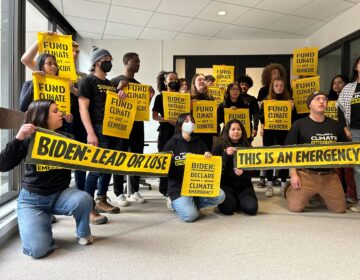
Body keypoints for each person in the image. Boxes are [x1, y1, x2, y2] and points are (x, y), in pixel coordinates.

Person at [0, 100, 93, 259]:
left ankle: (83, 232)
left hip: (60, 195)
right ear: (42, 115)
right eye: (55, 111)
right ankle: (40, 223)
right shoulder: (29, 139)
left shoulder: (67, 137)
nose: (60, 114)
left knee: (84, 199)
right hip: (32, 201)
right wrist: (18, 139)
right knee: (37, 251)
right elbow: (3, 165)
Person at [21, 40, 87, 191]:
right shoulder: (30, 83)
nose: (53, 66)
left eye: (55, 64)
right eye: (49, 63)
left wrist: (67, 117)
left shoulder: (68, 81)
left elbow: (74, 107)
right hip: (40, 133)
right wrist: (35, 82)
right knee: (42, 168)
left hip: (64, 131)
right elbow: (23, 106)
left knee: (65, 168)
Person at [284, 91, 347, 213]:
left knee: (340, 209)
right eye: (317, 99)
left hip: (329, 175)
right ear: (309, 105)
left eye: (324, 99)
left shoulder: (335, 125)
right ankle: (289, 189)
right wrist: (293, 175)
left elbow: (345, 150)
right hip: (306, 174)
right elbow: (289, 151)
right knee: (295, 208)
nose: (322, 101)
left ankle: (318, 194)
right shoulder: (299, 124)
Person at [78, 46, 121, 224]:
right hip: (97, 128)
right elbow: (83, 108)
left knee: (109, 166)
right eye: (107, 59)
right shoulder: (88, 81)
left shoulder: (111, 84)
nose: (110, 62)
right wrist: (90, 132)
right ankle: (88, 208)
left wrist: (121, 98)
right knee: (96, 169)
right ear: (97, 62)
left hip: (113, 129)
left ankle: (102, 199)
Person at [163, 113, 225, 222]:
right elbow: (163, 168)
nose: (190, 123)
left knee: (220, 196)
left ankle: (191, 203)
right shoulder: (171, 144)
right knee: (191, 216)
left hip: (197, 185)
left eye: (192, 121)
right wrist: (170, 161)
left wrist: (208, 157)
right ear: (179, 125)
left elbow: (207, 166)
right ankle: (174, 203)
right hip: (178, 188)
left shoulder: (200, 143)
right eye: (186, 121)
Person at [111, 52, 155, 205]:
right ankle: (118, 192)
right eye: (136, 61)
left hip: (137, 126)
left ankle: (135, 190)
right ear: (126, 62)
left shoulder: (138, 85)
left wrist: (149, 98)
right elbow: (110, 104)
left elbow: (142, 110)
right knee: (120, 157)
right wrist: (118, 89)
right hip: (121, 126)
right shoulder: (114, 81)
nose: (139, 64)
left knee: (137, 157)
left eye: (139, 61)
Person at [212, 119, 258, 215]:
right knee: (228, 209)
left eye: (239, 129)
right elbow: (214, 170)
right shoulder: (219, 146)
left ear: (242, 131)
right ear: (227, 131)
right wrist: (225, 155)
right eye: (233, 129)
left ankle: (239, 200)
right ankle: (234, 201)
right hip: (226, 185)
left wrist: (244, 172)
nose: (236, 132)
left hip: (244, 186)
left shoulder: (248, 146)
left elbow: (255, 171)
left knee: (251, 209)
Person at [259, 77, 294, 197]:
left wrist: (292, 108)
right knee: (270, 156)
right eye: (276, 85)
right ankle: (269, 185)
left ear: (284, 87)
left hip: (284, 132)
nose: (278, 87)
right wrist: (261, 128)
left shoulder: (290, 101)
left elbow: (294, 119)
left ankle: (284, 184)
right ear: (272, 87)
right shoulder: (266, 100)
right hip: (269, 132)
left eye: (281, 85)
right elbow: (261, 117)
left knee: (284, 157)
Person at [327, 74, 356, 203]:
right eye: (334, 83)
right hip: (332, 136)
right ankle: (338, 192)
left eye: (340, 82)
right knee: (336, 166)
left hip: (348, 134)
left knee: (348, 165)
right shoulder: (325, 100)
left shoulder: (351, 98)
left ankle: (351, 194)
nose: (337, 85)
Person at [152, 71, 179, 209]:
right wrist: (168, 120)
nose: (173, 81)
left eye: (175, 79)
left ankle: (177, 188)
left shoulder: (182, 97)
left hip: (179, 134)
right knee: (165, 160)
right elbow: (155, 116)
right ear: (165, 81)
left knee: (178, 160)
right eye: (170, 79)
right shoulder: (159, 97)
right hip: (165, 133)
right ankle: (164, 189)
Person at [338, 56, 360, 211]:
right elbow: (339, 110)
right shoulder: (349, 88)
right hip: (355, 131)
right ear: (356, 67)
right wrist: (345, 129)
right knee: (357, 168)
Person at [190, 73, 216, 151]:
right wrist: (190, 106)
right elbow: (182, 115)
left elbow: (214, 116)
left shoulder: (210, 97)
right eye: (199, 80)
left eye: (203, 80)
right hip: (193, 131)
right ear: (194, 83)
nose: (202, 81)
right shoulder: (188, 96)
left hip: (207, 132)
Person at [237, 75, 260, 143]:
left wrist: (255, 128)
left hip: (247, 128)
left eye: (246, 85)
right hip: (232, 128)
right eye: (242, 84)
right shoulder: (232, 97)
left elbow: (256, 114)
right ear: (238, 85)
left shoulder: (252, 99)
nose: (244, 86)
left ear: (249, 87)